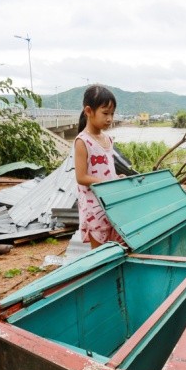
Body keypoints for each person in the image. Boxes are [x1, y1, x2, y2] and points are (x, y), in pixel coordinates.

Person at [75, 85, 124, 249]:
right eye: (105, 113)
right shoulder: (82, 141)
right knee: (99, 253)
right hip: (94, 207)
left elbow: (108, 171)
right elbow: (81, 177)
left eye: (112, 113)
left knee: (115, 247)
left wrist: (116, 179)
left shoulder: (108, 139)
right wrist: (108, 184)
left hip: (110, 203)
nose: (110, 118)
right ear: (88, 111)